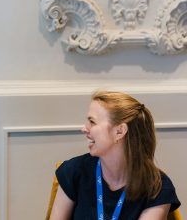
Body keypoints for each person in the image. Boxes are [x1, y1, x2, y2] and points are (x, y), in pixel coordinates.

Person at [50, 91, 180, 220]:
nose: (84, 128)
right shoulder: (74, 171)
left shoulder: (157, 187)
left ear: (119, 132)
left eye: (92, 122)